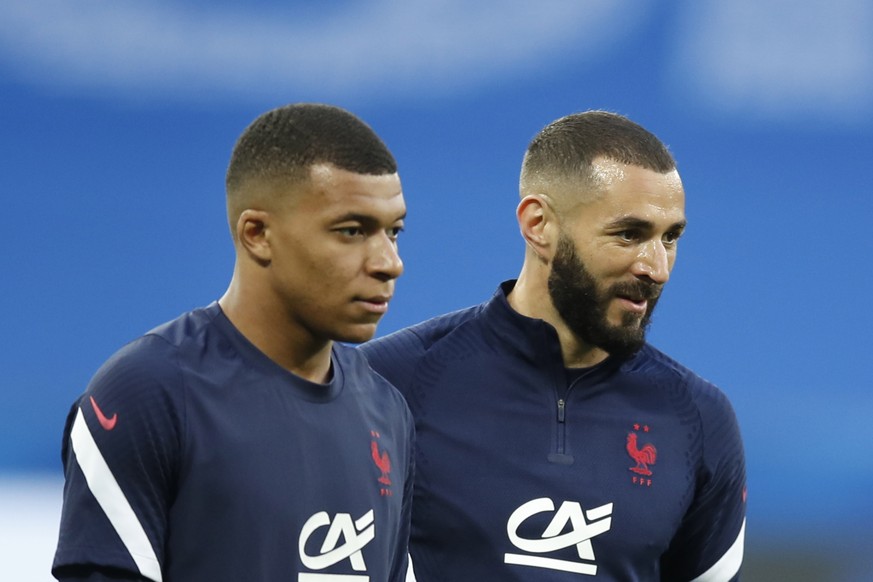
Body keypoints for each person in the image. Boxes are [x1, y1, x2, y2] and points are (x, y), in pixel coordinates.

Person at [360, 110, 747, 581]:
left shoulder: (699, 420)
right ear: (538, 224)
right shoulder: (384, 387)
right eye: (629, 234)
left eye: (671, 237)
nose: (656, 267)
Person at [52, 103, 414, 582]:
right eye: (352, 231)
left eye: (394, 232)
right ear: (257, 234)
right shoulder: (147, 394)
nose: (389, 262)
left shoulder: (388, 413)